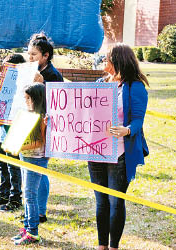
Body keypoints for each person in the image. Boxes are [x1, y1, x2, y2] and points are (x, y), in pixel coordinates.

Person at [88, 43, 149, 250]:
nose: (104, 62)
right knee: (101, 201)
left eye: (107, 59)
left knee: (115, 201)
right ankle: (101, 246)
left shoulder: (135, 87)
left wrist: (128, 130)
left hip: (121, 153)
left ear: (118, 61)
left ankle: (113, 246)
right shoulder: (100, 83)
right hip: (96, 152)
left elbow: (139, 120)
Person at [26, 33, 63, 223]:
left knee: (41, 170)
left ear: (45, 55)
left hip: (46, 127)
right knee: (29, 170)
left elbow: (59, 103)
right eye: (29, 54)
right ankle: (31, 209)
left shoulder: (53, 75)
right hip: (30, 124)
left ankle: (40, 211)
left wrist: (43, 84)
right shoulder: (29, 70)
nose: (30, 58)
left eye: (34, 55)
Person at [10, 83, 48, 245]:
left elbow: (39, 142)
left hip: (35, 158)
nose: (26, 101)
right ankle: (26, 227)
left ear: (37, 99)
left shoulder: (42, 118)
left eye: (29, 98)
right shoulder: (27, 114)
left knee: (30, 195)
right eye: (25, 98)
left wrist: (18, 146)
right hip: (26, 157)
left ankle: (33, 232)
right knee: (27, 194)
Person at [0, 54, 25, 212]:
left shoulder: (24, 84)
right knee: (2, 163)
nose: (3, 71)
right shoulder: (5, 84)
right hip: (3, 128)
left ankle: (15, 198)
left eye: (7, 69)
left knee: (13, 165)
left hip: (15, 130)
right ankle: (4, 193)